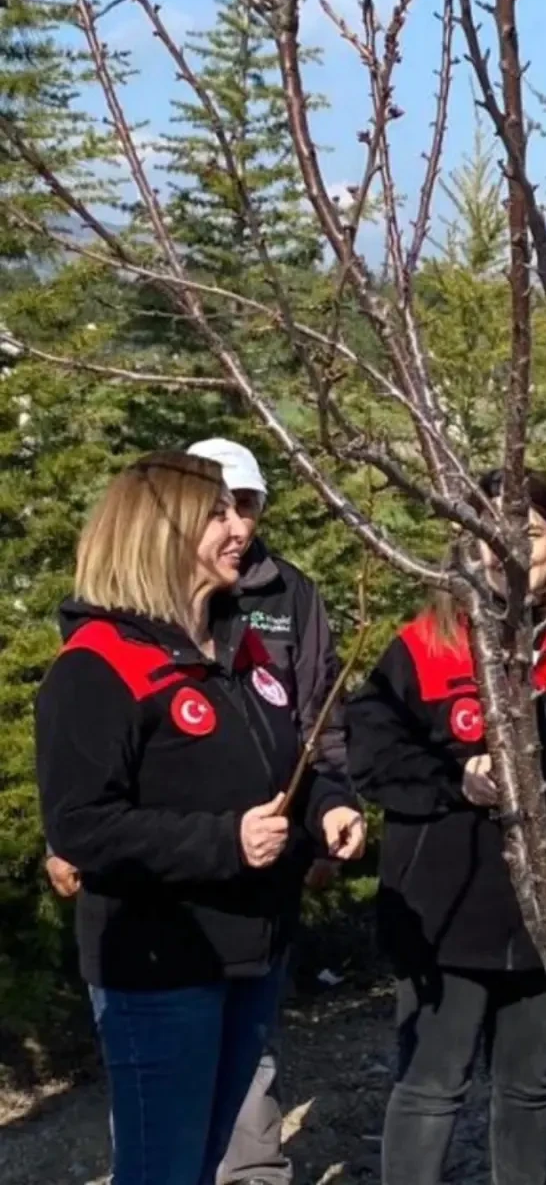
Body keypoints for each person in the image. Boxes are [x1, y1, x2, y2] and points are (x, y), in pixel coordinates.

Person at [35, 451, 366, 1185]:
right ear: (159, 534)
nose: (237, 528)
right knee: (163, 1171)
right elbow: (81, 826)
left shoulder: (240, 646)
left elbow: (285, 765)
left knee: (209, 1158)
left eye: (237, 510)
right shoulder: (97, 665)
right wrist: (225, 841)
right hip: (160, 969)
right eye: (215, 513)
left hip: (253, 954)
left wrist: (329, 806)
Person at [348, 467, 546, 1185]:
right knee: (433, 1084)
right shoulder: (425, 644)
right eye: (488, 533)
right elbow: (371, 749)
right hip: (446, 907)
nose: (507, 550)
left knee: (530, 1088)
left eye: (529, 534)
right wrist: (455, 779)